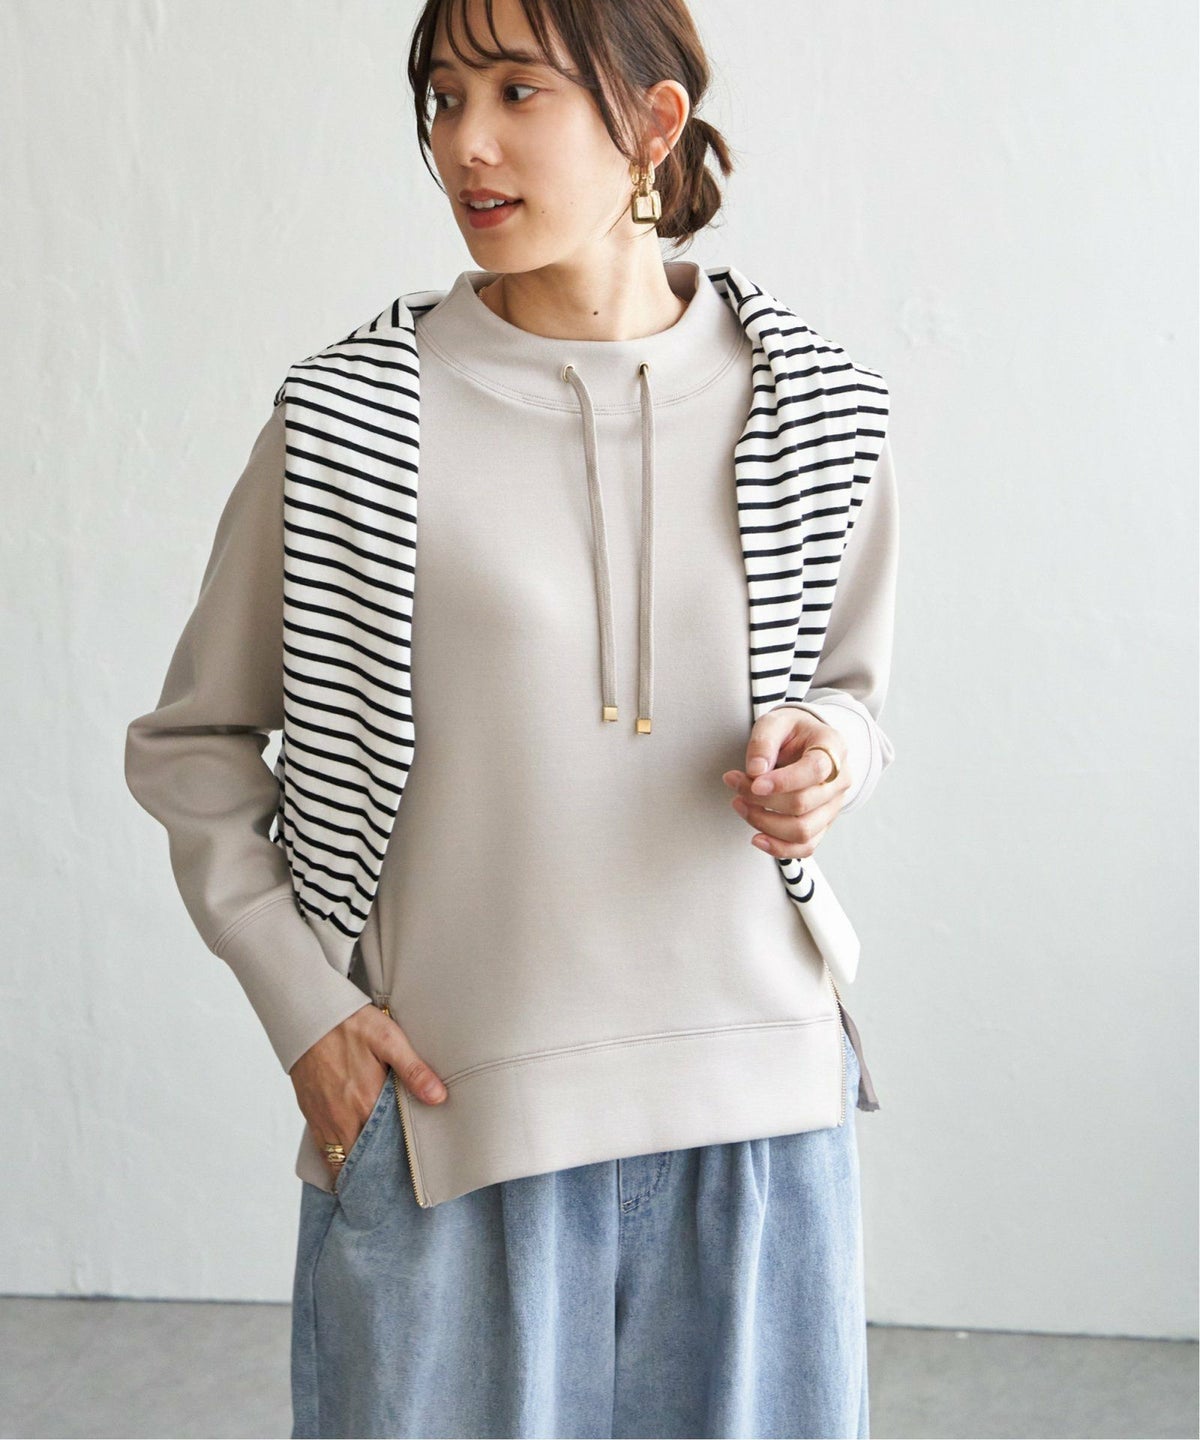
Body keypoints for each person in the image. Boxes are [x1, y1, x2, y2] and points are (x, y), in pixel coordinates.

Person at [124, 0, 900, 1434]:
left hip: (760, 1117)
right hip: (452, 1127)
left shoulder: (814, 405)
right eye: (442, 97)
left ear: (652, 125)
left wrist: (830, 758)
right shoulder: (352, 420)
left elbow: (848, 687)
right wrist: (308, 1015)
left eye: (515, 91)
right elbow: (194, 744)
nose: (463, 143)